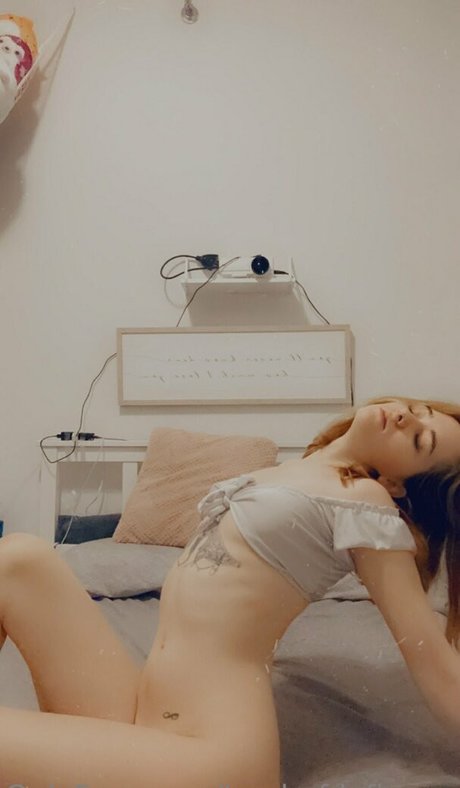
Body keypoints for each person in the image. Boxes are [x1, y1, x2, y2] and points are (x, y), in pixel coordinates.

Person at [1, 395, 460, 787]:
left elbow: (434, 665)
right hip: (143, 714)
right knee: (19, 558)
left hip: (212, 755)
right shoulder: (294, 470)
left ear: (396, 484)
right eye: (418, 409)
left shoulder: (366, 502)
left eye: (420, 440)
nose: (406, 417)